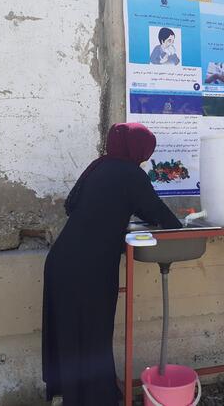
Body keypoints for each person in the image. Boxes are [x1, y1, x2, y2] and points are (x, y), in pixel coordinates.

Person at [42, 123, 182, 406]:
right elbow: (159, 214)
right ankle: (94, 399)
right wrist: (182, 227)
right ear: (136, 148)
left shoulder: (100, 167)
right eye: (146, 150)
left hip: (63, 262)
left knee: (70, 334)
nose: (145, 157)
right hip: (88, 269)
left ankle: (70, 395)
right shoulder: (130, 174)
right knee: (93, 334)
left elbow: (80, 208)